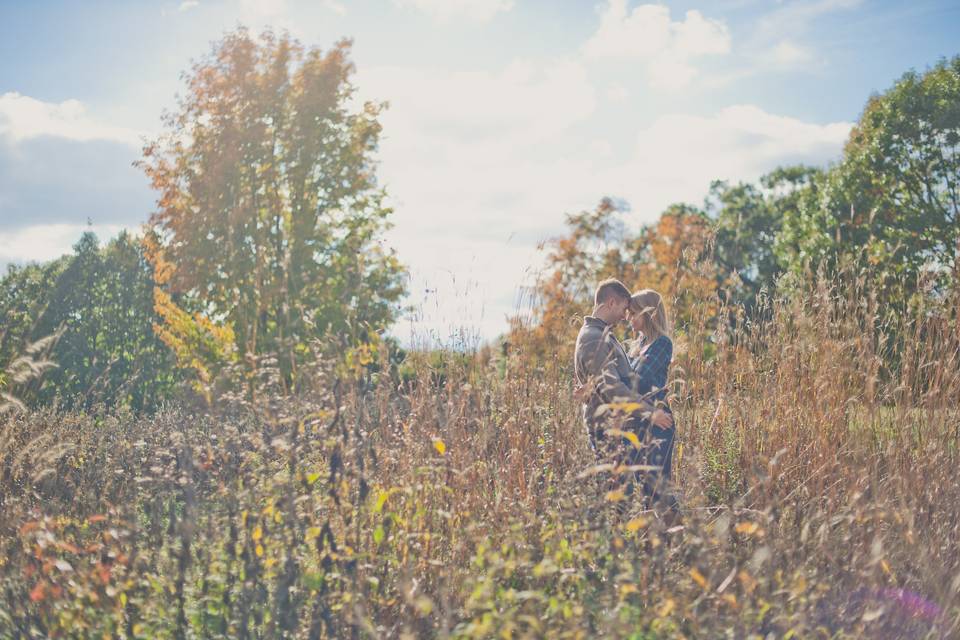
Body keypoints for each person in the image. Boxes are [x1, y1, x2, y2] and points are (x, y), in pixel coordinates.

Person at [573, 279, 673, 499]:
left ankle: (670, 533)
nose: (625, 316)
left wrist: (592, 388)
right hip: (608, 427)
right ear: (610, 303)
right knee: (621, 498)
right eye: (623, 309)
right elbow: (614, 387)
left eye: (632, 312)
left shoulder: (605, 335)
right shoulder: (593, 337)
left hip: (632, 425)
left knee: (648, 493)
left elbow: (618, 382)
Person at [626, 289, 677, 510]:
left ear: (648, 314)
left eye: (633, 312)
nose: (628, 317)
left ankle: (680, 537)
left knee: (658, 489)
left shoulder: (662, 343)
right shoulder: (635, 347)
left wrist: (617, 382)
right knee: (644, 491)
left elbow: (640, 379)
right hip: (639, 423)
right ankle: (657, 540)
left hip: (659, 423)